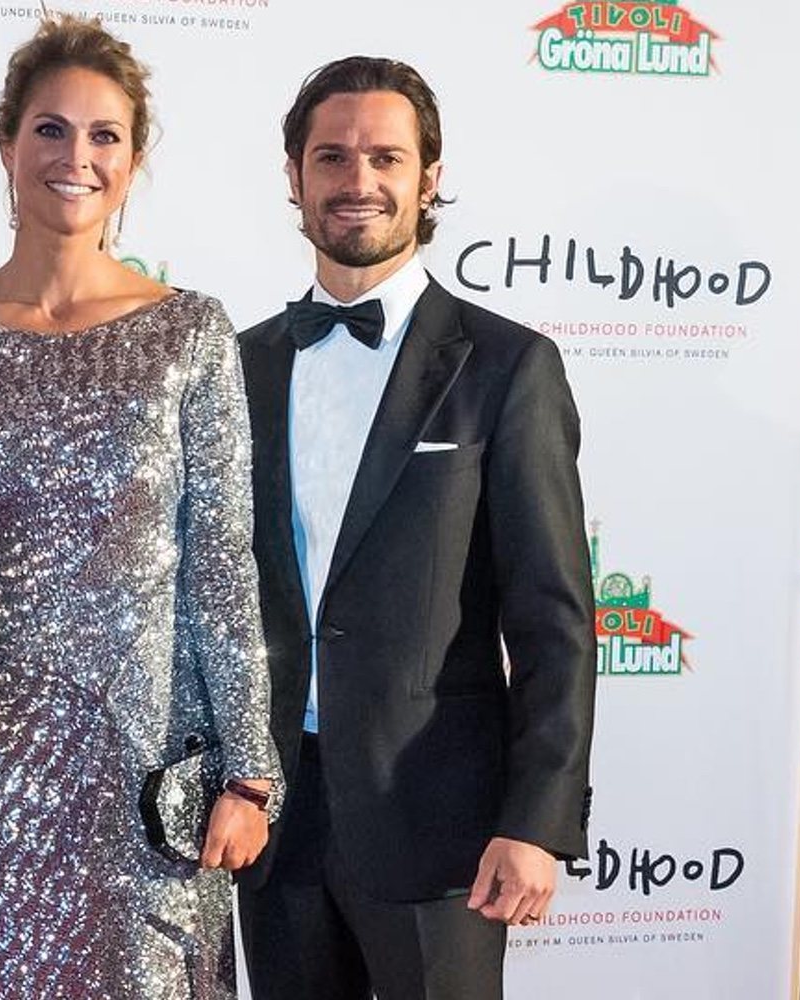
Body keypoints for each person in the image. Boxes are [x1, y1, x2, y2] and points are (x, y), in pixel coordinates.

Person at [0, 15, 281, 999]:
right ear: (6, 144)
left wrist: (248, 770)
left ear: (133, 162)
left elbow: (220, 562)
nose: (75, 157)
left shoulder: (190, 334)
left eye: (104, 136)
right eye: (50, 129)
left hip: (141, 793)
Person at [232, 56, 597, 1000]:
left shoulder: (507, 367)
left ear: (428, 178)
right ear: (294, 176)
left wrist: (537, 819)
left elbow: (553, 615)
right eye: (332, 156)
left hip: (443, 826)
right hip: (271, 819)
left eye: (386, 157)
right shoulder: (239, 365)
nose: (358, 181)